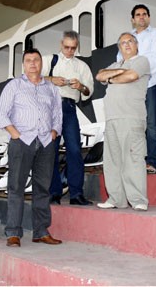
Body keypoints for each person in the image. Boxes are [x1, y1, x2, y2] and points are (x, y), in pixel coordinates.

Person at [0, 48, 63, 247]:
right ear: (23, 65)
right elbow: (2, 113)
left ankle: (41, 231)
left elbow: (58, 113)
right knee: (16, 187)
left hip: (45, 143)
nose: (33, 63)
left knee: (42, 188)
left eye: (36, 60)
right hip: (21, 142)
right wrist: (15, 134)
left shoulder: (51, 88)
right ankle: (13, 233)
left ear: (41, 63)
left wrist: (54, 132)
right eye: (28, 60)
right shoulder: (14, 85)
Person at [95, 33, 150, 211]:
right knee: (112, 162)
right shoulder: (116, 64)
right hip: (111, 119)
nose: (126, 45)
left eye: (130, 41)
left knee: (133, 159)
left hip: (131, 118)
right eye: (122, 43)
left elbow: (131, 76)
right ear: (119, 47)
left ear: (136, 45)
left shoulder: (141, 61)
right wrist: (115, 74)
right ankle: (116, 199)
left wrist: (111, 78)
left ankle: (138, 200)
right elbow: (99, 75)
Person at [42, 31, 95, 206]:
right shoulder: (49, 60)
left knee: (74, 150)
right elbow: (32, 78)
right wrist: (51, 79)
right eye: (67, 47)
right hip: (50, 107)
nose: (70, 51)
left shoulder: (82, 66)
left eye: (73, 48)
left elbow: (89, 92)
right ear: (60, 44)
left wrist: (80, 87)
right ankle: (53, 193)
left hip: (70, 107)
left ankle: (76, 194)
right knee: (51, 151)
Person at [117, 5, 156, 174]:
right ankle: (136, 162)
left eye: (144, 14)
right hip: (131, 90)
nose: (141, 17)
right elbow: (121, 61)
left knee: (151, 124)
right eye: (138, 15)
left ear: (149, 17)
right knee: (134, 125)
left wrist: (135, 73)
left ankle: (152, 161)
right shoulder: (127, 38)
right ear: (132, 19)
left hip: (150, 86)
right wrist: (127, 77)